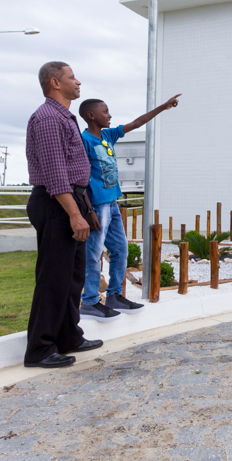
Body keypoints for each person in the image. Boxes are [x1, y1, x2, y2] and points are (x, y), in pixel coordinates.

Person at [24, 61, 103, 368]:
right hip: (57, 203)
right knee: (53, 278)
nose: (78, 81)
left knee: (73, 277)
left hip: (72, 200)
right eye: (72, 77)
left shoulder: (64, 117)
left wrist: (85, 208)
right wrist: (74, 213)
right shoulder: (47, 118)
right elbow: (56, 172)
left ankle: (69, 335)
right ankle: (40, 349)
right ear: (56, 83)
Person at [78, 94, 181, 320]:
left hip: (113, 202)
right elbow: (80, 179)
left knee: (121, 249)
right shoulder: (84, 141)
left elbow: (136, 123)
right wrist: (89, 210)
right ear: (91, 116)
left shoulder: (108, 135)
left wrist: (163, 107)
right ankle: (90, 302)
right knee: (94, 254)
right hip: (97, 205)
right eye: (105, 112)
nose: (110, 115)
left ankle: (114, 295)